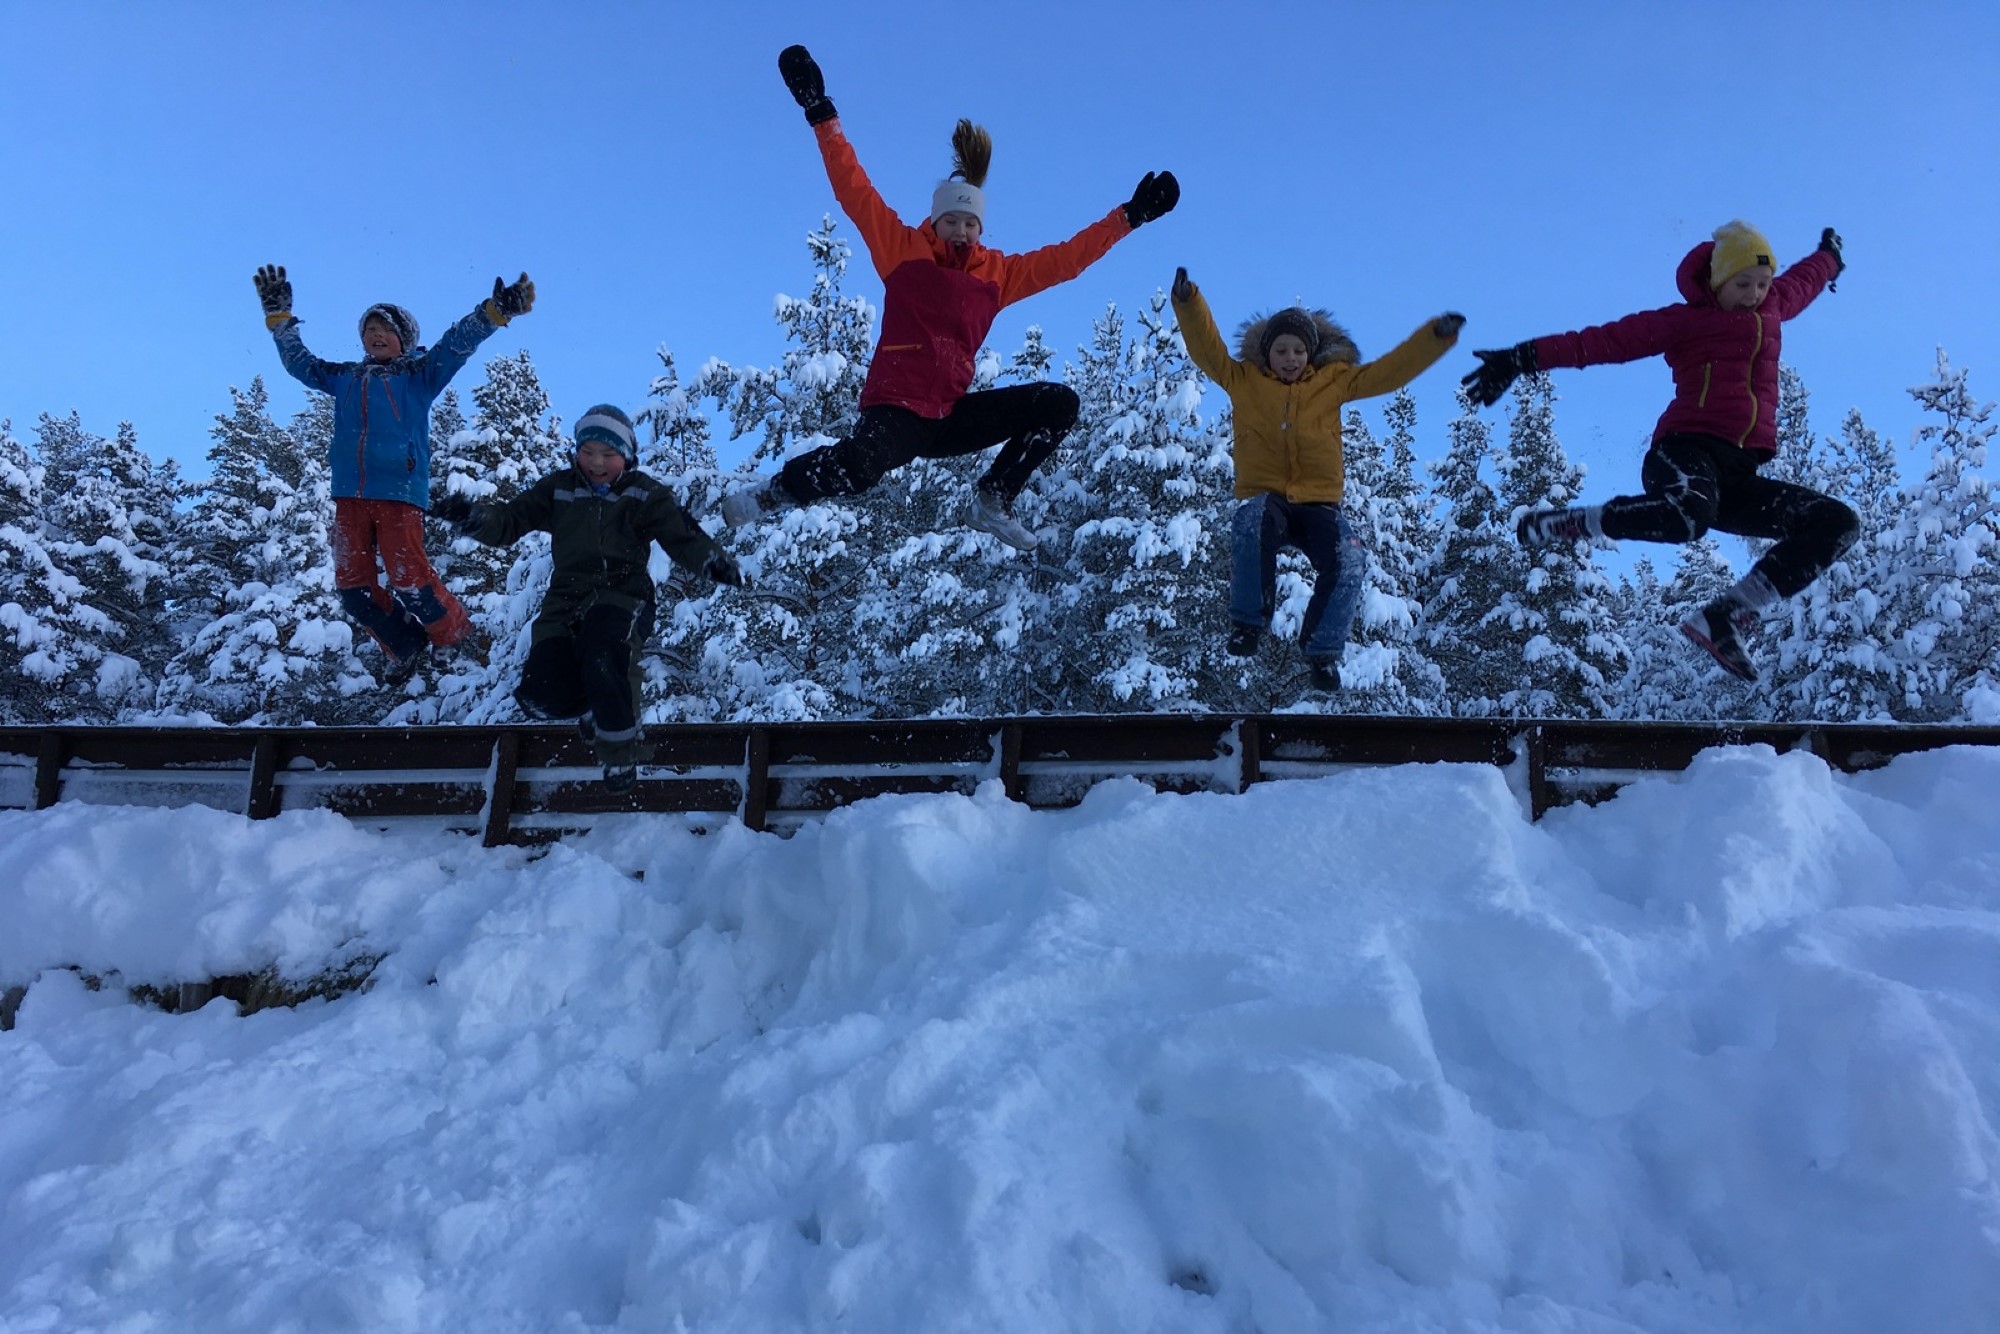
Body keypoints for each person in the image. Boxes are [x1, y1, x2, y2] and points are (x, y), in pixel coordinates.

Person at [719, 43, 1181, 553]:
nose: (961, 229)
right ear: (936, 220)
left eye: (970, 222)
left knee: (1059, 404)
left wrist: (1128, 217)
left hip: (950, 415)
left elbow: (1066, 260)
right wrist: (820, 111)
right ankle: (776, 492)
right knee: (860, 466)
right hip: (895, 412)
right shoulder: (902, 250)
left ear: (980, 227)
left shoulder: (997, 274)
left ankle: (995, 496)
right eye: (952, 220)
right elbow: (854, 189)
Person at [1463, 221, 1853, 682]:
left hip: (1738, 475)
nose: (1753, 295)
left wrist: (1829, 257)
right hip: (1684, 453)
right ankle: (1577, 522)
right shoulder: (1686, 321)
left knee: (1836, 522)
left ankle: (1729, 614)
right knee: (1688, 516)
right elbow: (1602, 341)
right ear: (1716, 281)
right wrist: (1521, 358)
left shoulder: (1774, 306)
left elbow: (1804, 281)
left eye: (1762, 284)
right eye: (1742, 284)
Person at [1172, 266, 1463, 689]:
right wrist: (1188, 301)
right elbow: (1207, 349)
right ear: (1266, 353)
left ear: (1310, 354)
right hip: (1268, 497)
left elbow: (1390, 372)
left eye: (1298, 352)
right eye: (1282, 351)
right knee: (1250, 524)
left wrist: (1435, 338)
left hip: (1318, 503)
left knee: (1349, 558)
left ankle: (1323, 652)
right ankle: (1248, 623)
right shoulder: (1243, 380)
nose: (1290, 359)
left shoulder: (1334, 382)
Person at [430, 404, 742, 792]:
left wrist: (712, 561)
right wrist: (470, 516)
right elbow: (509, 522)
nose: (596, 462)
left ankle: (620, 754)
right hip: (566, 598)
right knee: (540, 694)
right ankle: (596, 704)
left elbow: (681, 533)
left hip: (624, 593)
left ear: (626, 456)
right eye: (587, 451)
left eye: (608, 455)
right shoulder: (560, 489)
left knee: (602, 649)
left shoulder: (642, 493)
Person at [253, 263, 535, 674]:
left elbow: (457, 344)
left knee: (408, 578)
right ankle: (404, 644)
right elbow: (300, 365)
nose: (375, 335)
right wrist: (280, 322)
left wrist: (493, 312)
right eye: (368, 330)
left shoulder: (418, 374)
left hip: (398, 492)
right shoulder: (346, 377)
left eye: (385, 328)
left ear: (404, 338)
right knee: (353, 591)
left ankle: (452, 633)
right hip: (350, 495)